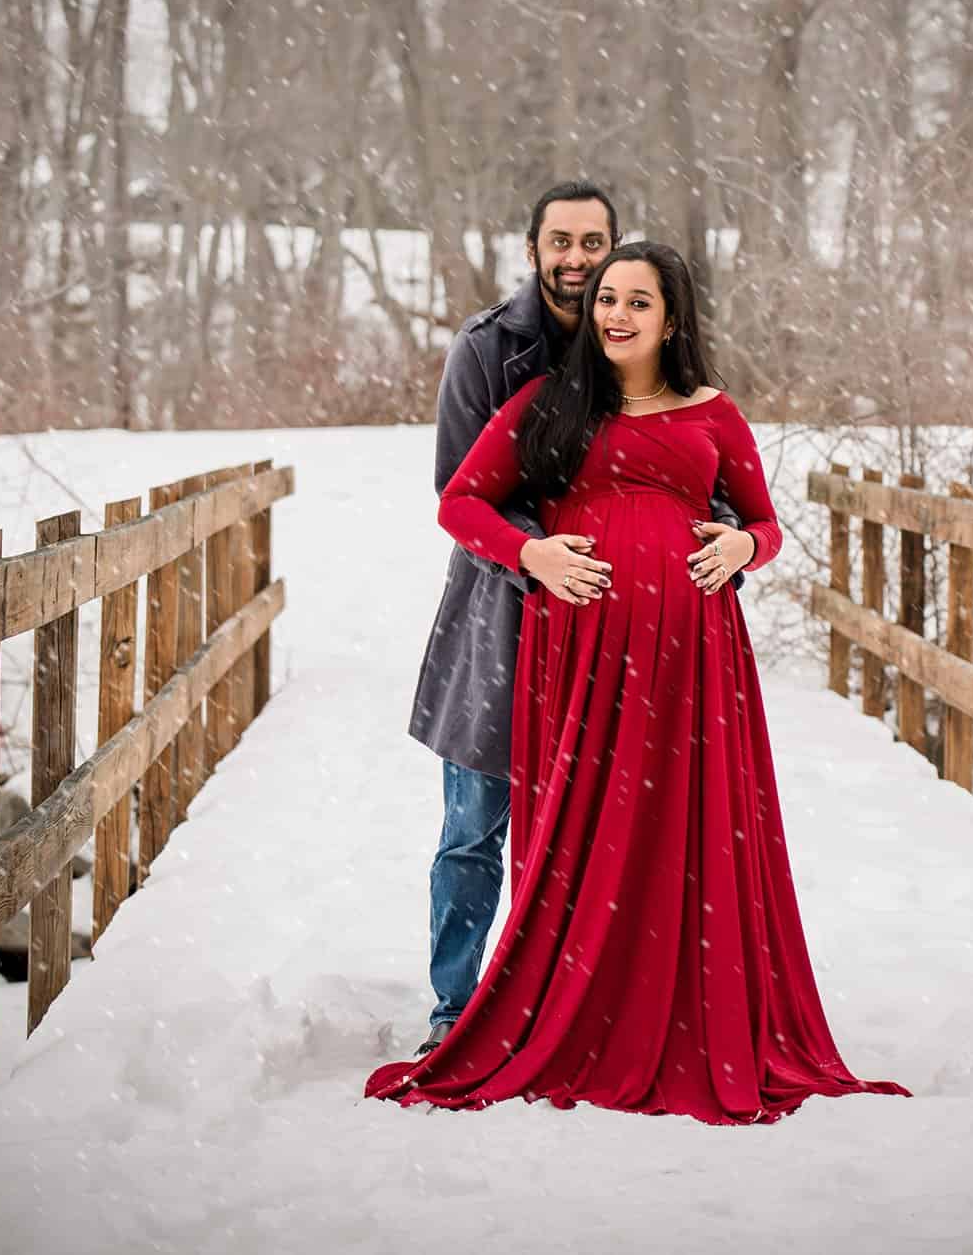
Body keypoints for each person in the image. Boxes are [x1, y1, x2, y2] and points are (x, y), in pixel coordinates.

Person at [370, 242, 908, 1124]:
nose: (616, 313)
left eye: (638, 302)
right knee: (582, 837)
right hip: (577, 657)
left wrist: (743, 547)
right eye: (609, 298)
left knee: (684, 825)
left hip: (694, 660)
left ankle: (685, 1008)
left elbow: (765, 523)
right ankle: (581, 1011)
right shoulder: (551, 401)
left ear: (672, 319)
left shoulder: (713, 414)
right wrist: (530, 551)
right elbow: (460, 500)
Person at [408, 182, 739, 1058]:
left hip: (626, 641)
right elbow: (462, 488)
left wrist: (723, 545)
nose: (576, 258)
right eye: (560, 240)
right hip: (502, 619)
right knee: (477, 821)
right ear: (533, 249)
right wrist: (545, 554)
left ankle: (576, 998)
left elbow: (707, 486)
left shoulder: (649, 347)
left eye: (593, 242)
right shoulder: (488, 352)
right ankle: (458, 1006)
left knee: (604, 823)